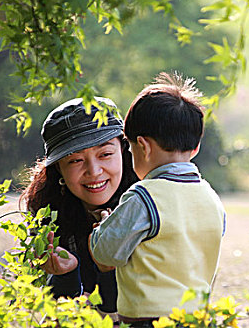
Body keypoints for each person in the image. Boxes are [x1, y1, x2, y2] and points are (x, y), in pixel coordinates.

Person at [89, 72, 226, 327]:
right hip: (196, 317)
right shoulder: (211, 198)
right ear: (195, 148)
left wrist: (104, 227)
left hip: (148, 320)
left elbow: (106, 254)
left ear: (143, 146)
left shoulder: (143, 197)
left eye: (129, 148)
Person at [20, 96, 138, 316]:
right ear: (58, 169)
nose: (94, 171)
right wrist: (66, 274)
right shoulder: (47, 211)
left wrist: (108, 269)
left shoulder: (148, 204)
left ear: (123, 150)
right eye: (75, 161)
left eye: (105, 154)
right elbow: (61, 316)